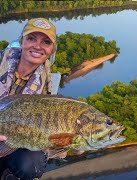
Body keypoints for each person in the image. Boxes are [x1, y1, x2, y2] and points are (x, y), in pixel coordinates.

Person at [0, 18, 81, 180]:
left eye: (46, 42)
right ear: (22, 41)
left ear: (52, 50)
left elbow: (46, 132)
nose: (37, 46)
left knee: (31, 164)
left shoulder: (46, 90)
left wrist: (73, 143)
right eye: (31, 38)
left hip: (13, 138)